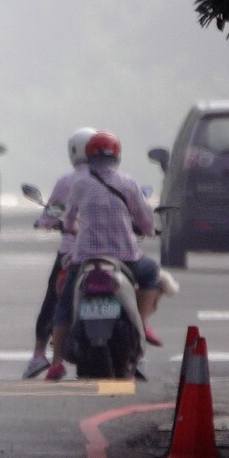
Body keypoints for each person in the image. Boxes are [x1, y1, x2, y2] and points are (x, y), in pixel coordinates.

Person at [43, 130, 163, 381]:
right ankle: (141, 322)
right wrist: (149, 230)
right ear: (117, 156)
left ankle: (55, 363)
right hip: (125, 256)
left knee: (63, 305)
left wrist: (71, 228)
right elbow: (144, 218)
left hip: (86, 256)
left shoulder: (79, 183)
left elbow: (69, 219)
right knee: (151, 272)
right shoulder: (127, 183)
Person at [23, 127, 95, 378]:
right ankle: (139, 355)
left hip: (72, 252)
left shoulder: (68, 181)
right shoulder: (114, 178)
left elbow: (52, 212)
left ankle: (39, 354)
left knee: (53, 303)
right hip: (108, 251)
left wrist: (44, 222)